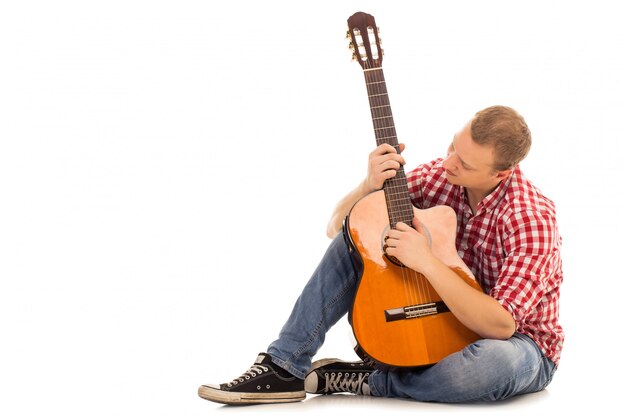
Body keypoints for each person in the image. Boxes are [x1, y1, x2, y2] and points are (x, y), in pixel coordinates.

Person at [198, 105, 564, 404]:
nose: (449, 162)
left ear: (502, 173)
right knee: (357, 235)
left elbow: (501, 325)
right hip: (436, 323)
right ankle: (284, 365)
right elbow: (336, 227)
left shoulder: (530, 218)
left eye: (465, 164)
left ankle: (376, 380)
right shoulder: (441, 175)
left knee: (491, 365)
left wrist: (426, 261)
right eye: (452, 147)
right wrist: (368, 185)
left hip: (517, 345)